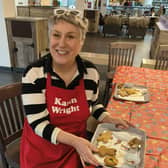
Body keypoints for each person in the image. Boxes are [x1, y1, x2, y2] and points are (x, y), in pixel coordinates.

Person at [20, 8, 130, 168]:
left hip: (76, 150)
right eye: (56, 35)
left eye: (70, 36)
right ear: (49, 37)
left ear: (82, 41)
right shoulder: (35, 74)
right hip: (41, 153)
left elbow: (93, 105)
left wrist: (107, 118)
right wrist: (76, 142)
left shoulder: (90, 73)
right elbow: (37, 123)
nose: (61, 43)